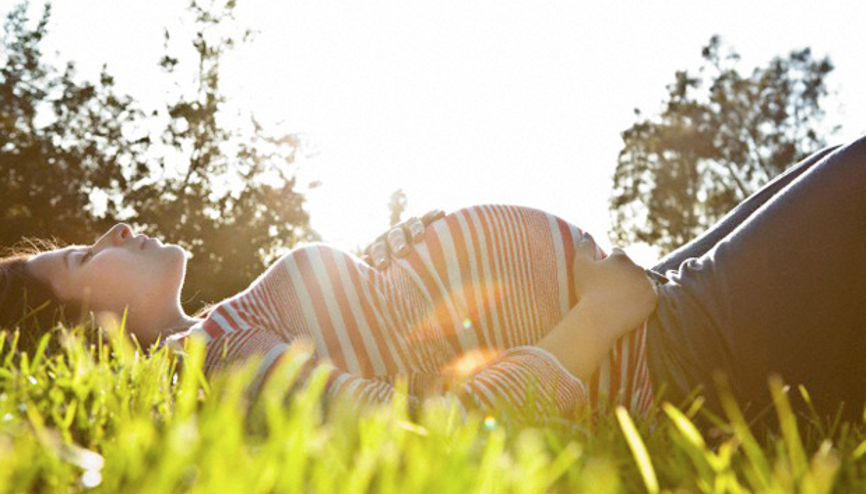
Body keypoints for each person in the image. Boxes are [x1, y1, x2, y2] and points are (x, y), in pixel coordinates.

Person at [2, 135, 864, 427]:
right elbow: (441, 440)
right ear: (86, 336)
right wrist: (594, 321)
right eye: (83, 256)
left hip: (650, 306)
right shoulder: (219, 365)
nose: (110, 230)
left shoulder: (227, 329)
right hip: (654, 363)